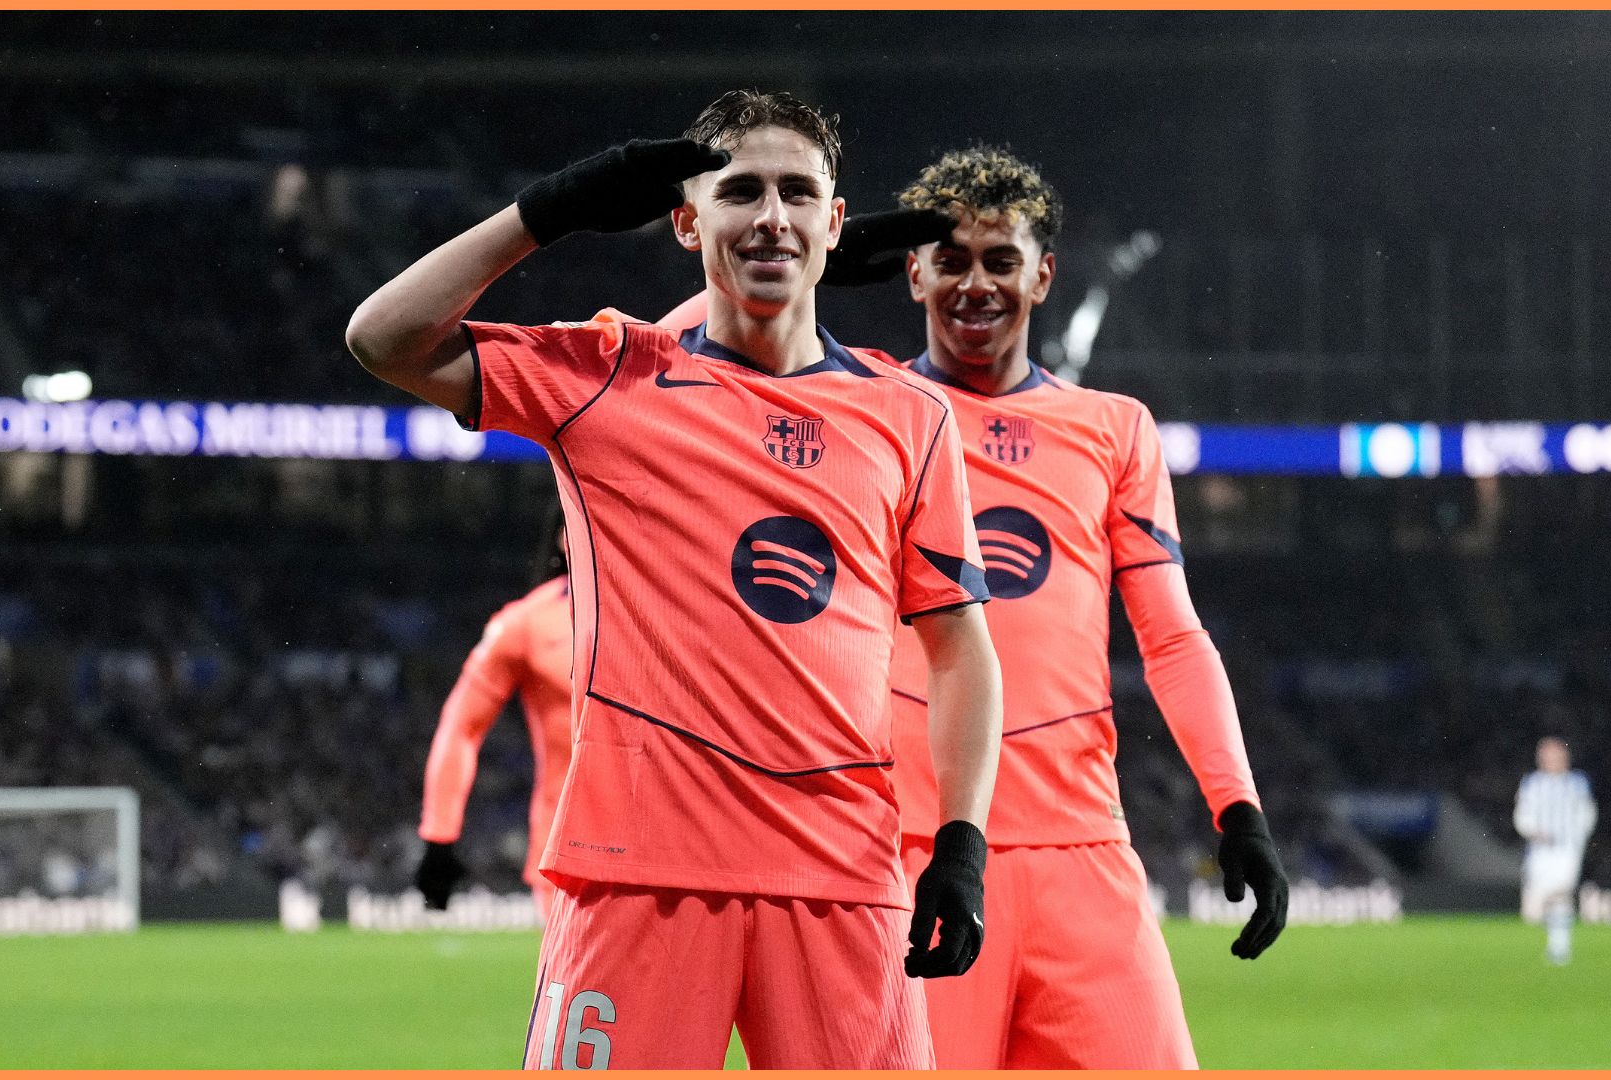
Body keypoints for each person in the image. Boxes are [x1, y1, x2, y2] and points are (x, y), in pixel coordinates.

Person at [345, 90, 1001, 1070]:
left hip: (845, 880)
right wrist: (547, 211)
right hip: (632, 878)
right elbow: (381, 338)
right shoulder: (607, 376)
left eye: (797, 193)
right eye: (739, 191)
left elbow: (959, 647)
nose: (770, 212)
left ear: (836, 218)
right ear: (685, 219)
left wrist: (962, 843)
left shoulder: (912, 418)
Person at [659, 145, 1288, 1069]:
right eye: (948, 259)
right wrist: (821, 255)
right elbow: (682, 352)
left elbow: (1173, 636)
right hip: (913, 850)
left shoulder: (1114, 430)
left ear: (1045, 274)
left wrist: (1239, 809)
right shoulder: (859, 398)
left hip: (1085, 855)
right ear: (910, 271)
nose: (976, 285)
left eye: (1001, 260)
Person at [414, 513, 572, 922]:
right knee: (579, 988)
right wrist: (439, 837)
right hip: (568, 856)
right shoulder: (524, 625)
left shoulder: (673, 612)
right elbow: (461, 726)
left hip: (670, 849)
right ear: (565, 537)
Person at [1513, 736, 1596, 965]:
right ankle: (1557, 943)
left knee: (1560, 892)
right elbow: (1522, 816)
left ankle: (1559, 946)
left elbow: (1587, 815)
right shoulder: (1532, 783)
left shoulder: (1577, 783)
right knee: (1538, 908)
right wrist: (1533, 831)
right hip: (1539, 853)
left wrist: (1578, 839)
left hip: (1567, 850)